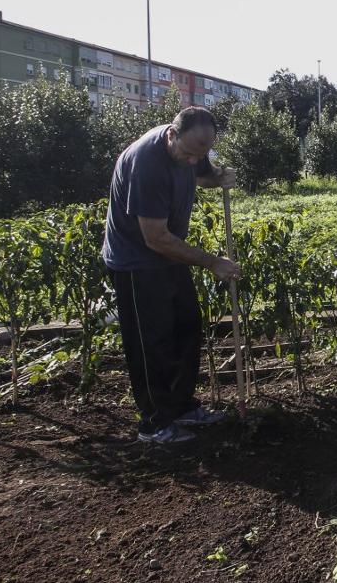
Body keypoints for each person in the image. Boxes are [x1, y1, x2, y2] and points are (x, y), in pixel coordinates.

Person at [102, 106, 241, 445]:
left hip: (169, 256)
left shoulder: (191, 147)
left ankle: (181, 407)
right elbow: (155, 238)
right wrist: (212, 262)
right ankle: (154, 424)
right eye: (190, 153)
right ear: (171, 135)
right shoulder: (147, 164)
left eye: (203, 153)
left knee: (186, 327)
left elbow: (202, 175)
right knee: (151, 343)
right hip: (137, 261)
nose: (195, 160)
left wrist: (219, 177)